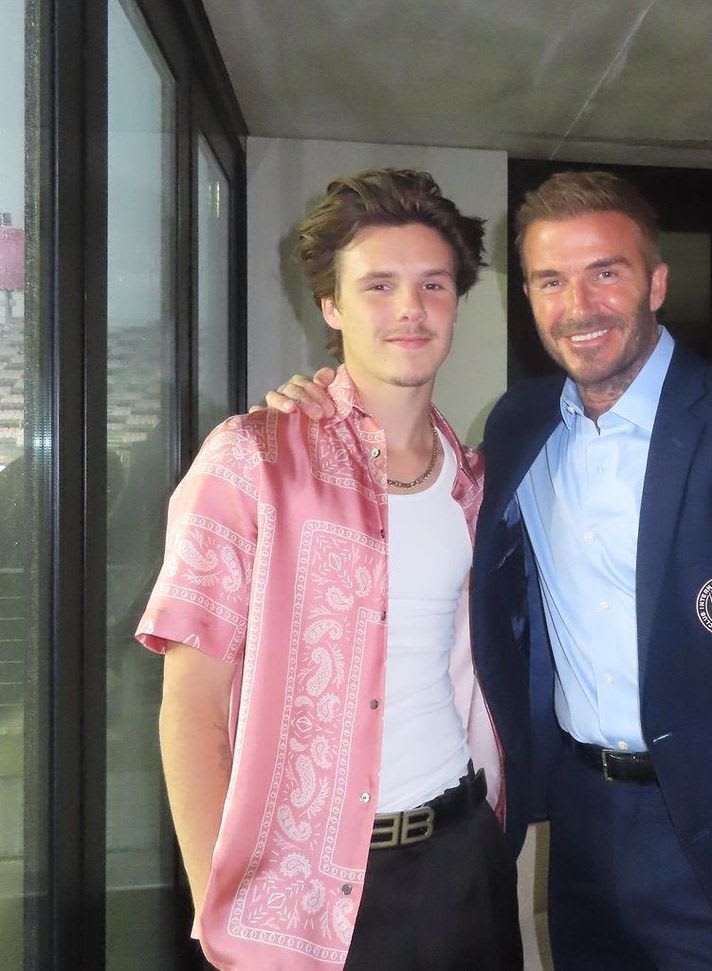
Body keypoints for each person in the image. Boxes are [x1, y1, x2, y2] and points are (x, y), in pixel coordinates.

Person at [267, 170, 712, 970]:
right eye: (551, 280)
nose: (579, 304)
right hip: (582, 824)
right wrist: (321, 398)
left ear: (656, 283)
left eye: (605, 271)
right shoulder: (520, 426)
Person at [137, 169, 521, 970]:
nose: (409, 308)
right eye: (378, 285)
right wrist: (223, 916)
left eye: (433, 284)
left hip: (461, 857)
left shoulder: (475, 479)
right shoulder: (254, 459)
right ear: (332, 308)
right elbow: (191, 707)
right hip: (307, 891)